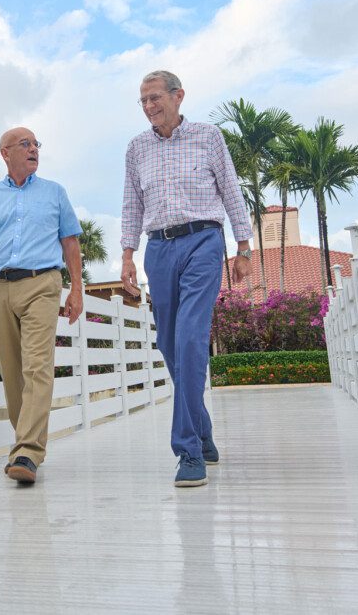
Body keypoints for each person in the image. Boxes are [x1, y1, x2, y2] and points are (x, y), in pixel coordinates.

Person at [120, 71, 253, 487]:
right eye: (142, 100)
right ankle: (204, 429)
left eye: (155, 98)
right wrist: (127, 254)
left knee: (192, 337)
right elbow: (131, 202)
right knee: (168, 343)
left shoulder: (208, 136)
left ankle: (188, 450)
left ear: (178, 96)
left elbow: (231, 188)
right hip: (158, 249)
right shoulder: (136, 148)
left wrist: (244, 246)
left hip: (203, 241)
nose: (148, 106)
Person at [0, 127, 83, 485]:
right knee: (12, 372)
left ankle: (27, 451)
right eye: (24, 144)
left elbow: (70, 243)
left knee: (38, 366)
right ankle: (25, 444)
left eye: (36, 144)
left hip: (42, 282)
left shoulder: (55, 193)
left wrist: (77, 290)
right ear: (5, 153)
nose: (33, 149)